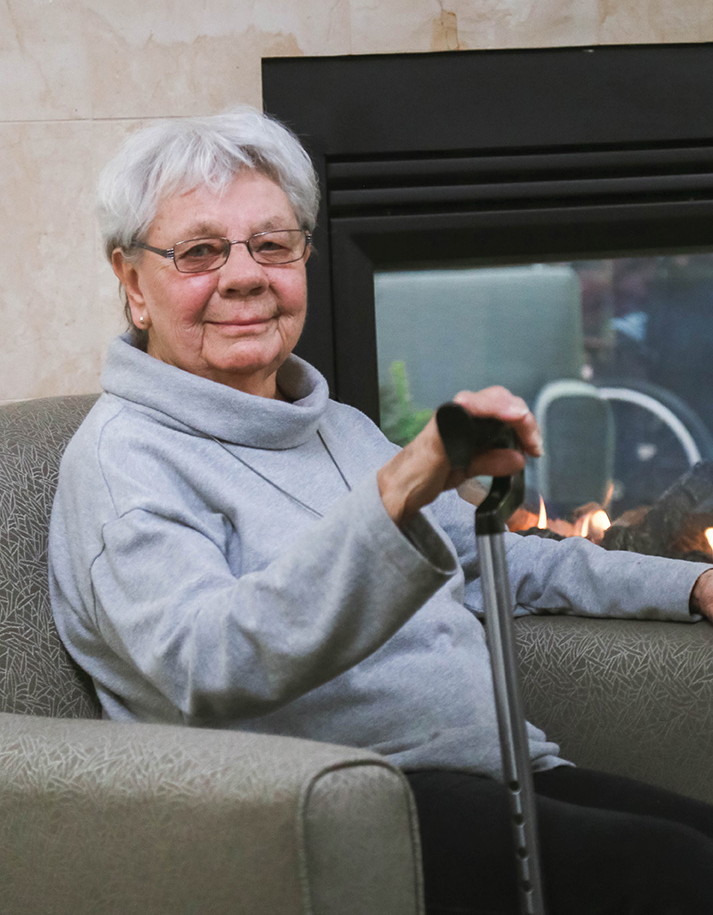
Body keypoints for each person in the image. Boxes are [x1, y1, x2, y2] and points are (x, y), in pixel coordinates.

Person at [49, 106, 713, 915]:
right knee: (673, 871)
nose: (245, 274)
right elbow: (204, 664)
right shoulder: (126, 462)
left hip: (493, 769)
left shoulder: (333, 427)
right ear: (132, 283)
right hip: (335, 809)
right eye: (199, 251)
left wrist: (685, 589)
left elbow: (487, 558)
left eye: (272, 243)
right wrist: (398, 487)